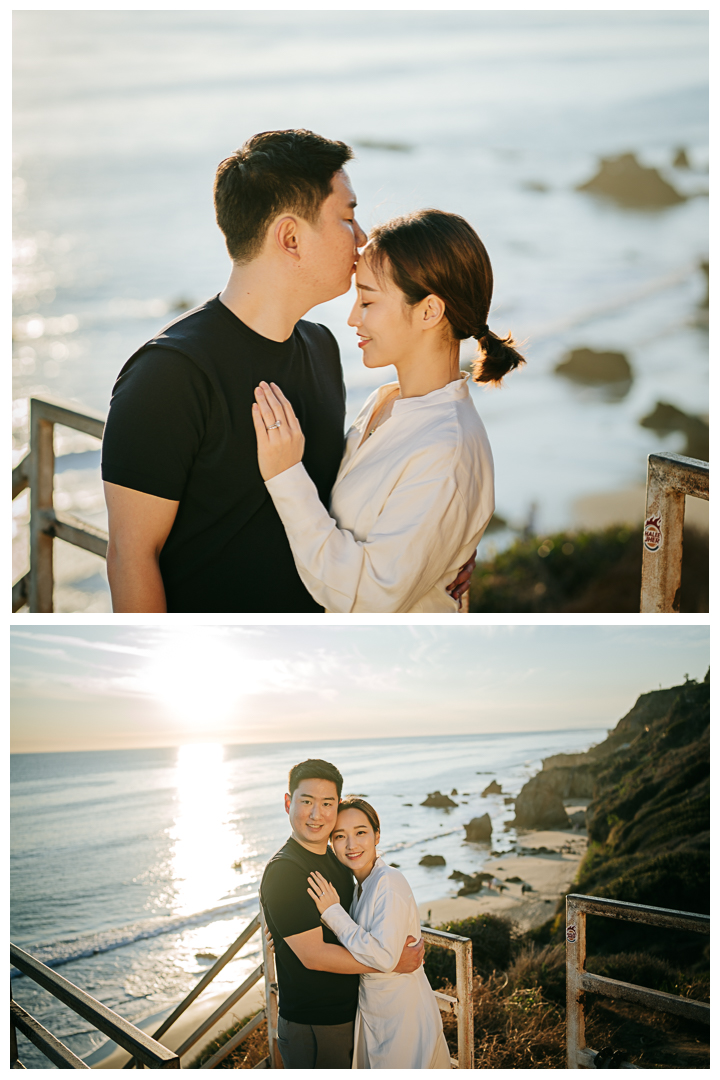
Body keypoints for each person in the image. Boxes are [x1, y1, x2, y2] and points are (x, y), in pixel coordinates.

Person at [100, 129, 474, 612]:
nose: (362, 241)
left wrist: (434, 542)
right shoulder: (168, 375)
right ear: (291, 238)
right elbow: (130, 559)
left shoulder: (321, 348)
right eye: (347, 217)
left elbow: (339, 506)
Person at [252, 208, 525, 613]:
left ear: (429, 311)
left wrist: (285, 475)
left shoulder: (445, 448)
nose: (351, 318)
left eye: (367, 300)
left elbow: (371, 596)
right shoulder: (385, 402)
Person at [260, 760, 425, 1070]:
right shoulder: (284, 871)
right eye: (306, 801)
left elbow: (355, 919)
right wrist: (389, 963)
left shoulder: (337, 860)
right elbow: (313, 955)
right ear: (288, 803)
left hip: (355, 1013)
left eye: (327, 803)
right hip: (315, 1024)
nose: (316, 813)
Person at [307, 797, 452, 1069]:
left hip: (402, 1014)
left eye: (360, 832)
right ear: (331, 844)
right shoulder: (359, 887)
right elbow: (361, 944)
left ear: (377, 835)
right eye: (340, 836)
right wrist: (290, 936)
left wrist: (332, 912)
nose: (351, 845)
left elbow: (383, 956)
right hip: (376, 1013)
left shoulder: (389, 882)